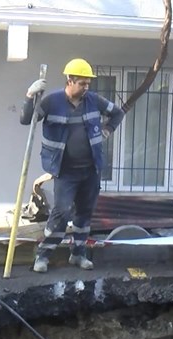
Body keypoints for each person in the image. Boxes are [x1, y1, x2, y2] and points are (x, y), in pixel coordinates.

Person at [20, 58, 125, 273]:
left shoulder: (93, 100)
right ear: (70, 80)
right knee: (61, 212)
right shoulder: (51, 102)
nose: (86, 88)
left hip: (91, 170)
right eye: (82, 83)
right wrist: (30, 96)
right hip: (65, 171)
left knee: (84, 213)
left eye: (88, 84)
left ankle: (78, 254)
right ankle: (43, 256)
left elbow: (118, 112)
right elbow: (26, 119)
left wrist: (106, 130)